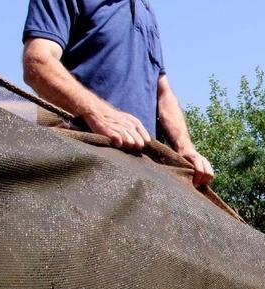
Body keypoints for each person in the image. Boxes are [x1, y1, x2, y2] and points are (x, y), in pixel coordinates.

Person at [22, 0, 213, 187]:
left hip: (146, 175)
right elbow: (38, 62)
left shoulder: (146, 11)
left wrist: (185, 148)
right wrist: (98, 113)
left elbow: (163, 92)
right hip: (82, 163)